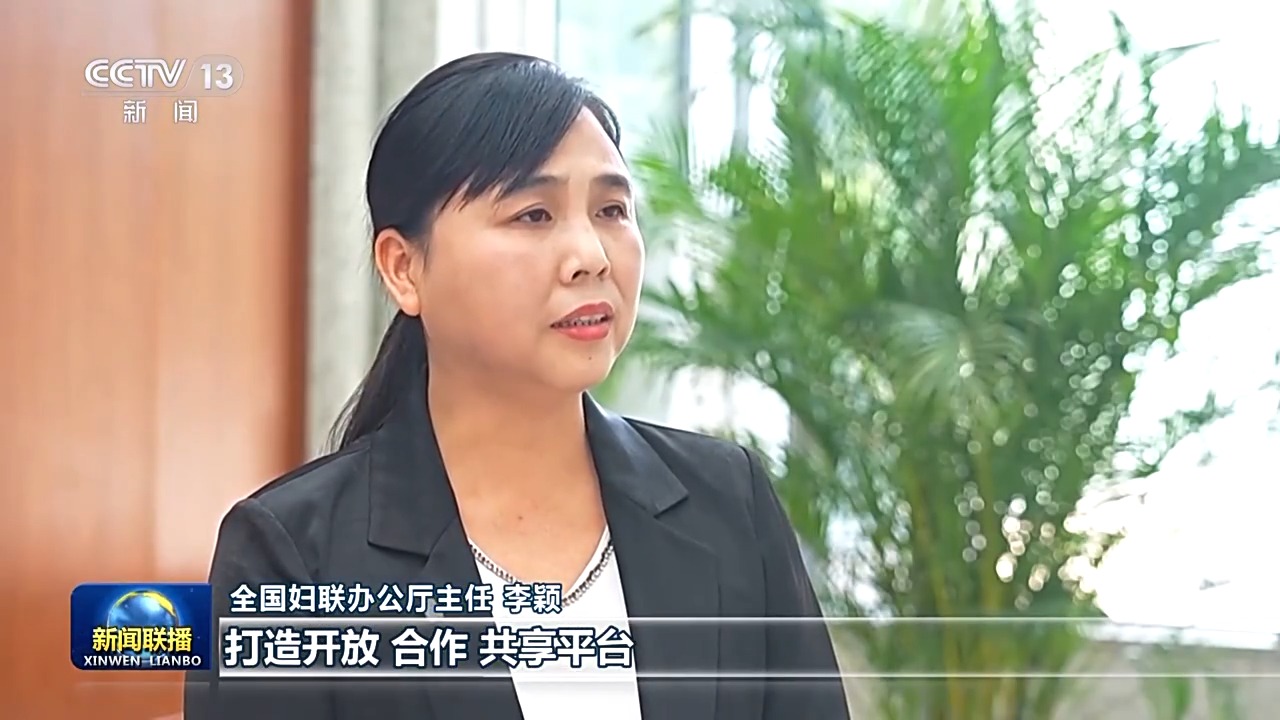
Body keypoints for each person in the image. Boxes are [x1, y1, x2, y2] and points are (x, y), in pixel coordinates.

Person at [184, 52, 848, 720]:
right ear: (404, 268)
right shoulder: (292, 553)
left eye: (612, 209)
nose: (591, 257)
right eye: (534, 215)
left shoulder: (726, 500)